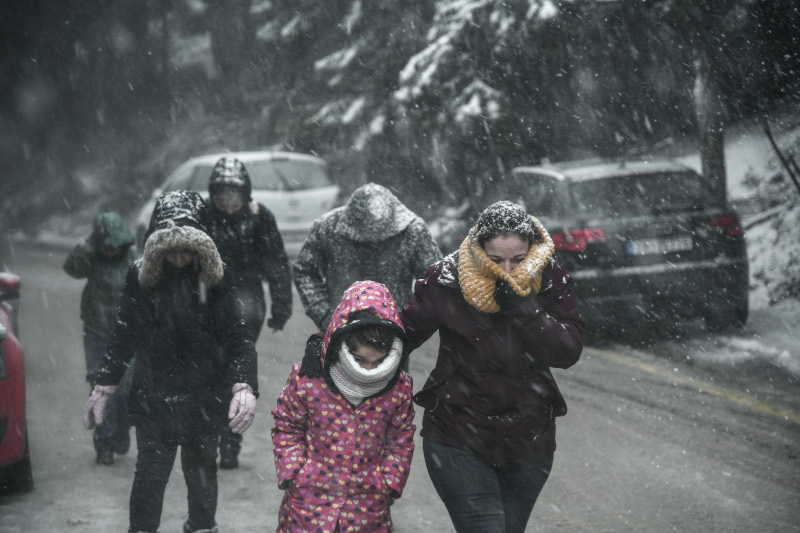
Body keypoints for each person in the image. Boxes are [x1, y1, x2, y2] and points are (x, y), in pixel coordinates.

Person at [400, 200, 584, 533]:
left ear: (532, 250)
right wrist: (338, 346)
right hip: (456, 435)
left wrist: (524, 308)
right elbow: (400, 336)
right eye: (497, 260)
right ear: (479, 250)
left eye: (518, 259)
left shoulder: (550, 274)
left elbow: (568, 351)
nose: (508, 272)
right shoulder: (446, 278)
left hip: (528, 438)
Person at [82, 191, 259, 533]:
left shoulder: (218, 277)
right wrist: (104, 386)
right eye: (169, 250)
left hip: (205, 396)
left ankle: (202, 527)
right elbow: (123, 334)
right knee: (149, 478)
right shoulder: (140, 277)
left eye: (186, 249)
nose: (178, 257)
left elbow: (239, 336)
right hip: (154, 396)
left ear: (200, 246)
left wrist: (244, 384)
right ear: (156, 248)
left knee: (203, 477)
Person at [271, 280, 415, 533]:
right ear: (341, 344)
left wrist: (390, 481)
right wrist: (293, 471)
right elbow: (286, 425)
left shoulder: (398, 387)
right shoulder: (308, 378)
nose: (367, 370)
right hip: (308, 504)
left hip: (368, 507)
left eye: (378, 362)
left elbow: (401, 438)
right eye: (359, 359)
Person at [205, 155, 292, 469]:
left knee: (236, 367)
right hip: (208, 297)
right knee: (210, 369)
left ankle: (230, 439)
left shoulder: (259, 218)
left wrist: (281, 305)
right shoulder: (204, 217)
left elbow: (277, 262)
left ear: (245, 194)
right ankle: (211, 433)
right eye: (222, 195)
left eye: (234, 195)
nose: (228, 202)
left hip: (247, 297)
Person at [293, 182, 441, 332]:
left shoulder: (413, 231)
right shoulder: (328, 228)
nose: (374, 242)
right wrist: (325, 316)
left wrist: (408, 323)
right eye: (366, 238)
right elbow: (305, 271)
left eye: (381, 237)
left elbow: (434, 284)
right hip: (338, 330)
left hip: (394, 333)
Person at [64, 211, 138, 466]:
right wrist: (89, 245)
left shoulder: (133, 259)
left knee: (126, 388)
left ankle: (121, 430)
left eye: (115, 245)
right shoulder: (91, 258)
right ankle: (104, 444)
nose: (110, 251)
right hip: (96, 332)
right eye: (105, 245)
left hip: (127, 335)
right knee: (100, 388)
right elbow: (72, 268)